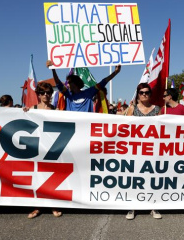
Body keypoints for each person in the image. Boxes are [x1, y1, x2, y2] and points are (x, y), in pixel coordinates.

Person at [23, 82, 62, 219]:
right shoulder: (31, 109)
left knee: (50, 177)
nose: (45, 95)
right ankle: (37, 207)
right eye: (42, 93)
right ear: (38, 95)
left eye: (48, 93)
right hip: (36, 148)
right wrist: (23, 112)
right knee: (37, 177)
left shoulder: (55, 110)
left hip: (51, 148)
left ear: (51, 95)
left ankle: (53, 205)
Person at [126, 83, 161, 220]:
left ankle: (153, 206)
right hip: (135, 149)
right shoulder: (132, 109)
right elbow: (126, 127)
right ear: (138, 94)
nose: (144, 94)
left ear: (150, 94)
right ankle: (132, 207)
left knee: (152, 177)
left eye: (147, 92)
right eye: (141, 92)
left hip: (153, 149)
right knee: (135, 178)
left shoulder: (157, 109)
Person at [46, 60, 121, 112]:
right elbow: (58, 83)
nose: (67, 84)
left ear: (75, 83)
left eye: (69, 82)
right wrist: (53, 69)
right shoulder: (68, 94)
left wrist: (116, 72)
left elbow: (103, 82)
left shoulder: (89, 92)